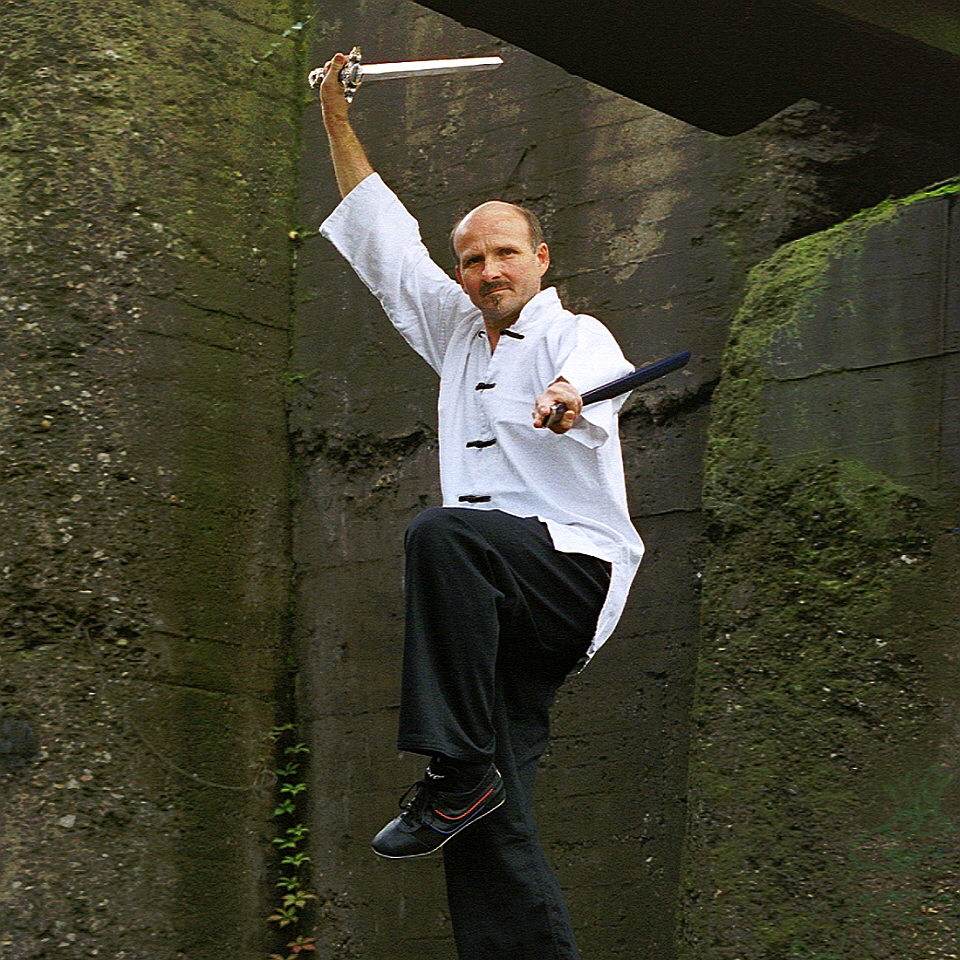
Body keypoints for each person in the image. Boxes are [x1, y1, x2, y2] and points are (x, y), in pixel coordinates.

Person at [316, 52, 645, 960]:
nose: (488, 270)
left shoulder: (571, 332)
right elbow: (384, 241)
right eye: (472, 259)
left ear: (540, 259)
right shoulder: (458, 333)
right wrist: (335, 113)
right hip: (492, 613)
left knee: (442, 535)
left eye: (505, 254)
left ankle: (456, 769)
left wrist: (571, 396)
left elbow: (601, 372)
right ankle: (473, 799)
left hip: (568, 574)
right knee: (489, 816)